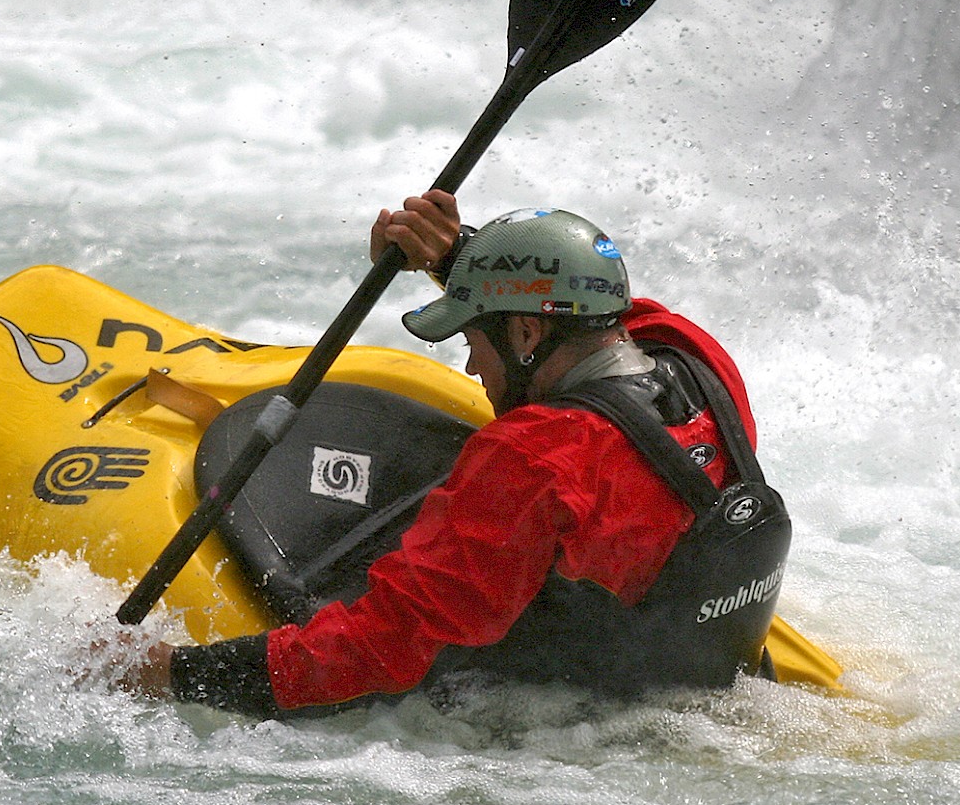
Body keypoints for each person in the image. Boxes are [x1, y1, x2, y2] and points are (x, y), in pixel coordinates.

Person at [124, 189, 787, 714]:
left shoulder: (534, 458)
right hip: (713, 682)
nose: (471, 367)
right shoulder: (699, 360)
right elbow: (596, 302)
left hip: (571, 734)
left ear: (526, 331)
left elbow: (382, 647)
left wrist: (171, 674)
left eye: (474, 339)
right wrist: (457, 257)